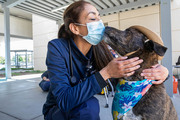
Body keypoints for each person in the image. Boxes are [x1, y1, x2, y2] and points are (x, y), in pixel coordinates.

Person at [43, 1, 169, 120]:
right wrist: (106, 73)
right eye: (93, 19)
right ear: (75, 28)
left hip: (80, 109)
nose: (100, 23)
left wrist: (163, 73)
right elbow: (64, 100)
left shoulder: (101, 49)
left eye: (99, 17)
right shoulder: (57, 47)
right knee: (88, 106)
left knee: (86, 106)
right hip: (57, 109)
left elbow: (127, 73)